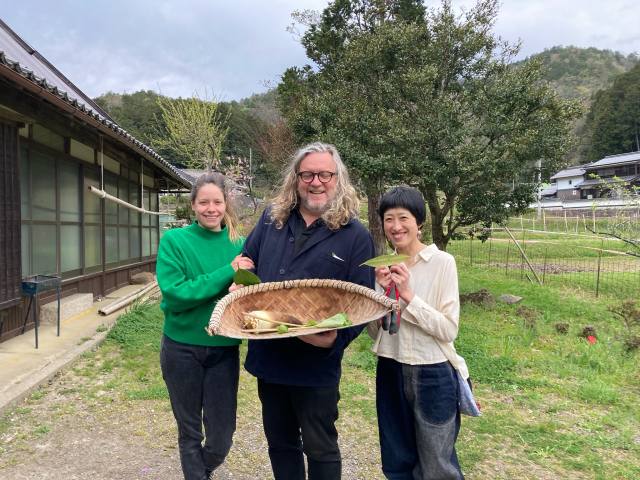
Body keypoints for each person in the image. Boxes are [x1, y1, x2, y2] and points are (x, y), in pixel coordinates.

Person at [235, 142, 375, 479]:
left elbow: (364, 300)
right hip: (270, 356)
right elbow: (246, 260)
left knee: (320, 446)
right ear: (295, 179)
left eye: (325, 174)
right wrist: (239, 275)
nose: (316, 182)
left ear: (337, 178)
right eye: (308, 174)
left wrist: (333, 340)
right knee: (280, 443)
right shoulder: (272, 220)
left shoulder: (354, 235)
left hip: (316, 365)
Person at [156, 172, 254, 480]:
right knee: (189, 431)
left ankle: (203, 467)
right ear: (193, 205)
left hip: (223, 347)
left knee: (221, 435)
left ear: (226, 204)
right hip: (180, 347)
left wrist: (242, 289)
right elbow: (175, 294)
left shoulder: (239, 244)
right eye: (203, 202)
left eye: (217, 202)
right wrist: (227, 273)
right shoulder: (175, 241)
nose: (210, 209)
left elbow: (249, 290)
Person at [368, 185, 464, 480]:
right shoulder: (383, 266)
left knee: (437, 464)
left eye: (403, 218)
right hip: (390, 367)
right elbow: (376, 333)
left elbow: (448, 329)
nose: (396, 227)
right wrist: (381, 296)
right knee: (396, 460)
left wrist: (408, 295)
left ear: (418, 222)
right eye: (388, 219)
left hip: (432, 372)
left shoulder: (441, 263)